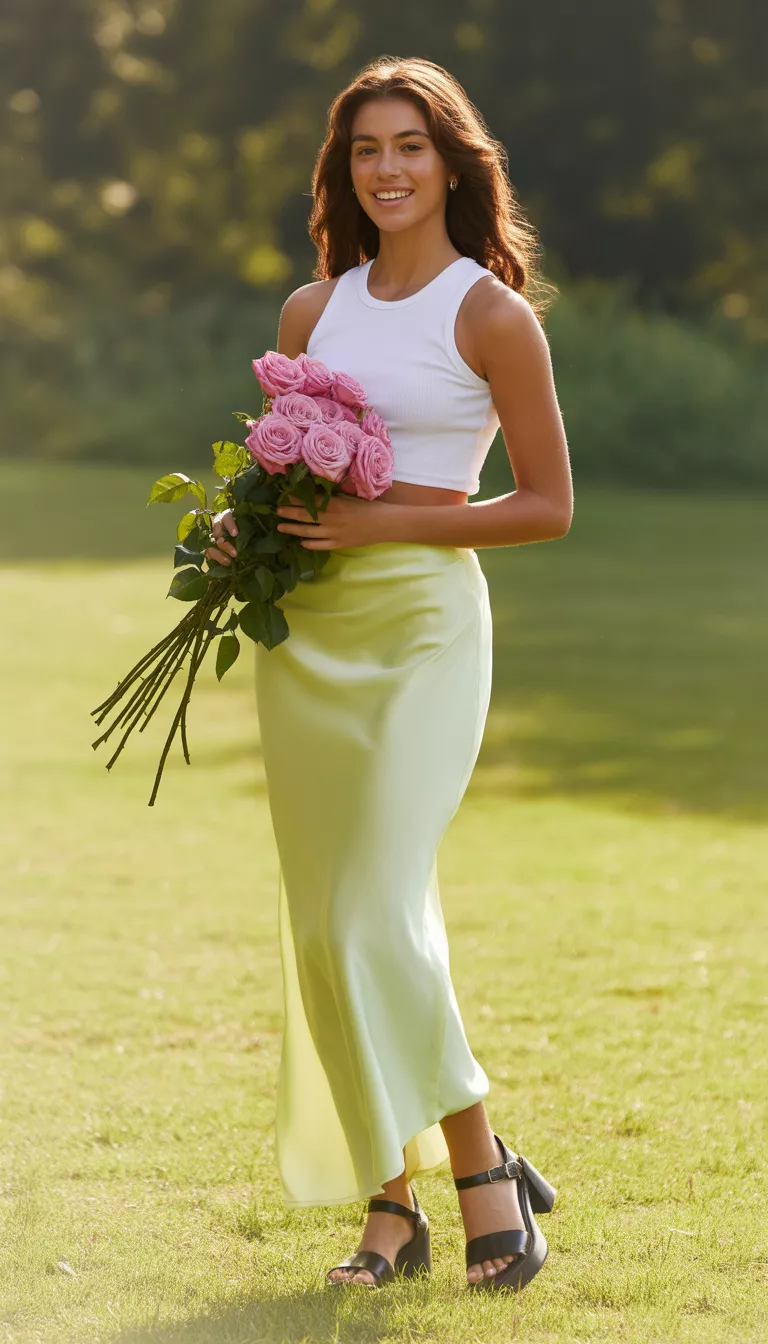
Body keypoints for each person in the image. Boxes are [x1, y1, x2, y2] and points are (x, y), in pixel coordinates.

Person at [206, 56, 572, 1294]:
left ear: (451, 161)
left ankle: (481, 1171)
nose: (388, 167)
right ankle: (393, 1207)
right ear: (343, 170)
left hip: (422, 629)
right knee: (327, 926)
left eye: (410, 144)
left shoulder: (489, 315)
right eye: (366, 148)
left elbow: (547, 506)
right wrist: (239, 529)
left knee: (374, 906)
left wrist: (387, 529)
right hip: (310, 635)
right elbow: (282, 478)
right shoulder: (314, 311)